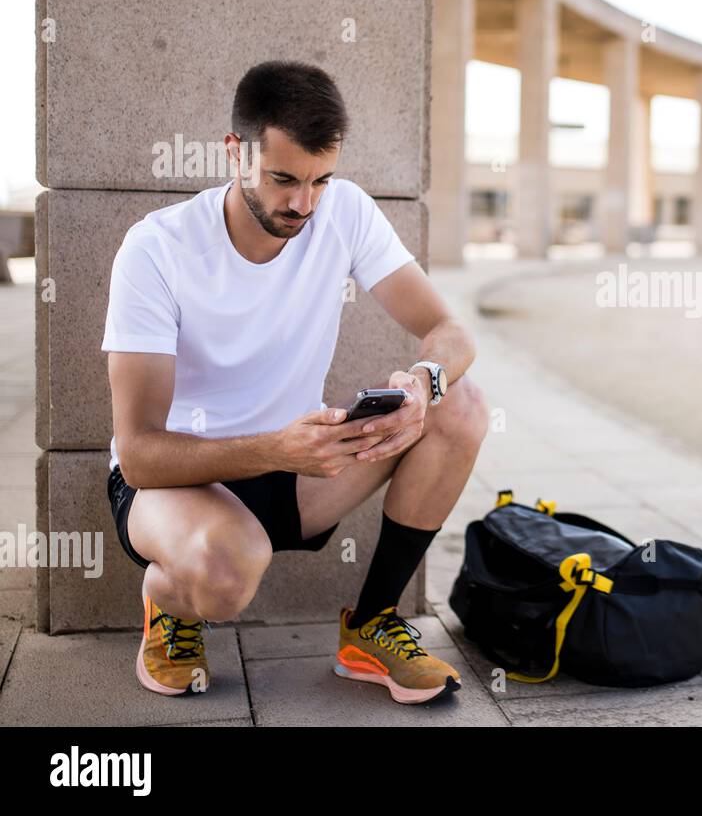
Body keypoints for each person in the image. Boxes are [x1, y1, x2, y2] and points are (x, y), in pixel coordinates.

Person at [102, 60, 489, 704]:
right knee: (227, 573)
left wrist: (424, 385)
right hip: (173, 486)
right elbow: (139, 454)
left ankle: (372, 626)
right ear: (235, 153)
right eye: (284, 179)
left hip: (295, 471)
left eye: (320, 180)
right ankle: (168, 600)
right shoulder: (156, 250)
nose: (303, 204)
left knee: (461, 403)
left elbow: (451, 330)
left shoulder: (344, 211)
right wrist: (273, 448)